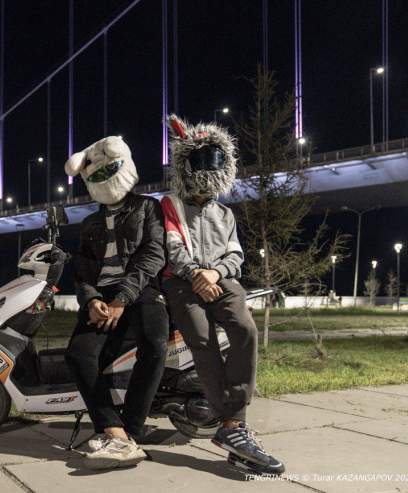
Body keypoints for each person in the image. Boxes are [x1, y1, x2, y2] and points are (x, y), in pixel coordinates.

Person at [160, 115, 285, 476]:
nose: (206, 171)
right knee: (201, 339)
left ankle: (233, 421)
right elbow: (172, 249)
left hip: (221, 280)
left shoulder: (226, 213)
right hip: (181, 282)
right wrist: (196, 275)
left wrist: (213, 273)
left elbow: (235, 256)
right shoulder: (170, 204)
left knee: (245, 330)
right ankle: (231, 424)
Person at [63, 136, 169, 470]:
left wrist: (122, 297)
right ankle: (114, 431)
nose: (103, 179)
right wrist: (91, 299)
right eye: (96, 175)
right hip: (102, 297)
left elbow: (153, 255)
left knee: (155, 344)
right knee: (78, 354)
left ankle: (131, 431)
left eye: (108, 171)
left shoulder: (147, 207)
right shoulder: (89, 223)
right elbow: (82, 271)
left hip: (142, 290)